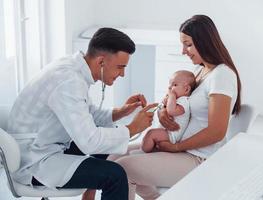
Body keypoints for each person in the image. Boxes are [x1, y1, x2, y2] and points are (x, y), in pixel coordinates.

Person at [7, 27, 157, 200]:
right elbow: (89, 142)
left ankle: (89, 193)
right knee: (116, 176)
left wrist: (121, 112)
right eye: (120, 67)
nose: (122, 74)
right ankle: (92, 189)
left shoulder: (73, 67)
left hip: (45, 143)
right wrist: (132, 128)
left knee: (107, 130)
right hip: (32, 160)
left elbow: (88, 114)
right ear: (101, 62)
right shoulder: (69, 82)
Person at [108, 14, 242, 200]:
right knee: (114, 156)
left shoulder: (222, 75)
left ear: (204, 42)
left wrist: (176, 147)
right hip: (183, 148)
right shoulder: (200, 71)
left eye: (188, 44)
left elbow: (217, 132)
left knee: (123, 169)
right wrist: (163, 112)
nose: (183, 51)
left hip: (199, 158)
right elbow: (178, 100)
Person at [141, 70, 195, 153]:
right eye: (170, 85)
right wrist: (162, 104)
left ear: (186, 89)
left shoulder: (184, 101)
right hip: (167, 132)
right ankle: (152, 150)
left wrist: (171, 97)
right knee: (153, 136)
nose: (170, 88)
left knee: (151, 133)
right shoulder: (176, 100)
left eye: (175, 85)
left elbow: (171, 111)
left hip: (172, 135)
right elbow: (159, 106)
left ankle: (144, 152)